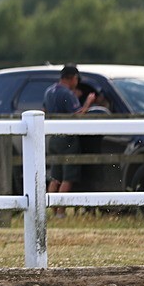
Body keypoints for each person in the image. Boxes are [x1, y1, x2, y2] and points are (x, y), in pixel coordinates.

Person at [43, 64, 97, 209]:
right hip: (67, 139)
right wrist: (87, 103)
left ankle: (52, 210)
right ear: (73, 78)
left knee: (55, 176)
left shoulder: (50, 91)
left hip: (53, 137)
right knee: (68, 177)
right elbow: (77, 116)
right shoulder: (67, 94)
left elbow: (45, 109)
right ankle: (61, 210)